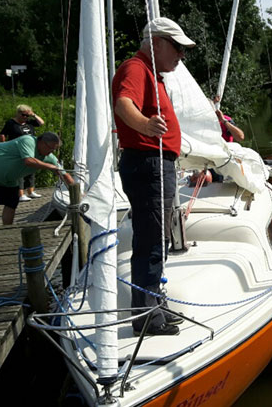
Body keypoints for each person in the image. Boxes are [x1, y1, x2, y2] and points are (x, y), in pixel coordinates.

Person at [112, 17, 195, 337]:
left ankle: (152, 306)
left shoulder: (150, 71)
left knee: (154, 240)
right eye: (177, 47)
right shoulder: (137, 67)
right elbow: (123, 104)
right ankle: (148, 317)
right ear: (157, 42)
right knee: (151, 241)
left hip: (153, 164)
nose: (181, 55)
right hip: (149, 164)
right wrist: (145, 126)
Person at [0, 104, 46, 201]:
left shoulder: (29, 122)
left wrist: (33, 115)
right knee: (20, 171)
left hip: (31, 149)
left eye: (27, 115)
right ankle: (20, 194)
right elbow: (3, 133)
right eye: (23, 115)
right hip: (17, 150)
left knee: (31, 170)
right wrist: (4, 144)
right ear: (18, 113)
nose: (25, 117)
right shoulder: (11, 123)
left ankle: (31, 191)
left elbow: (41, 123)